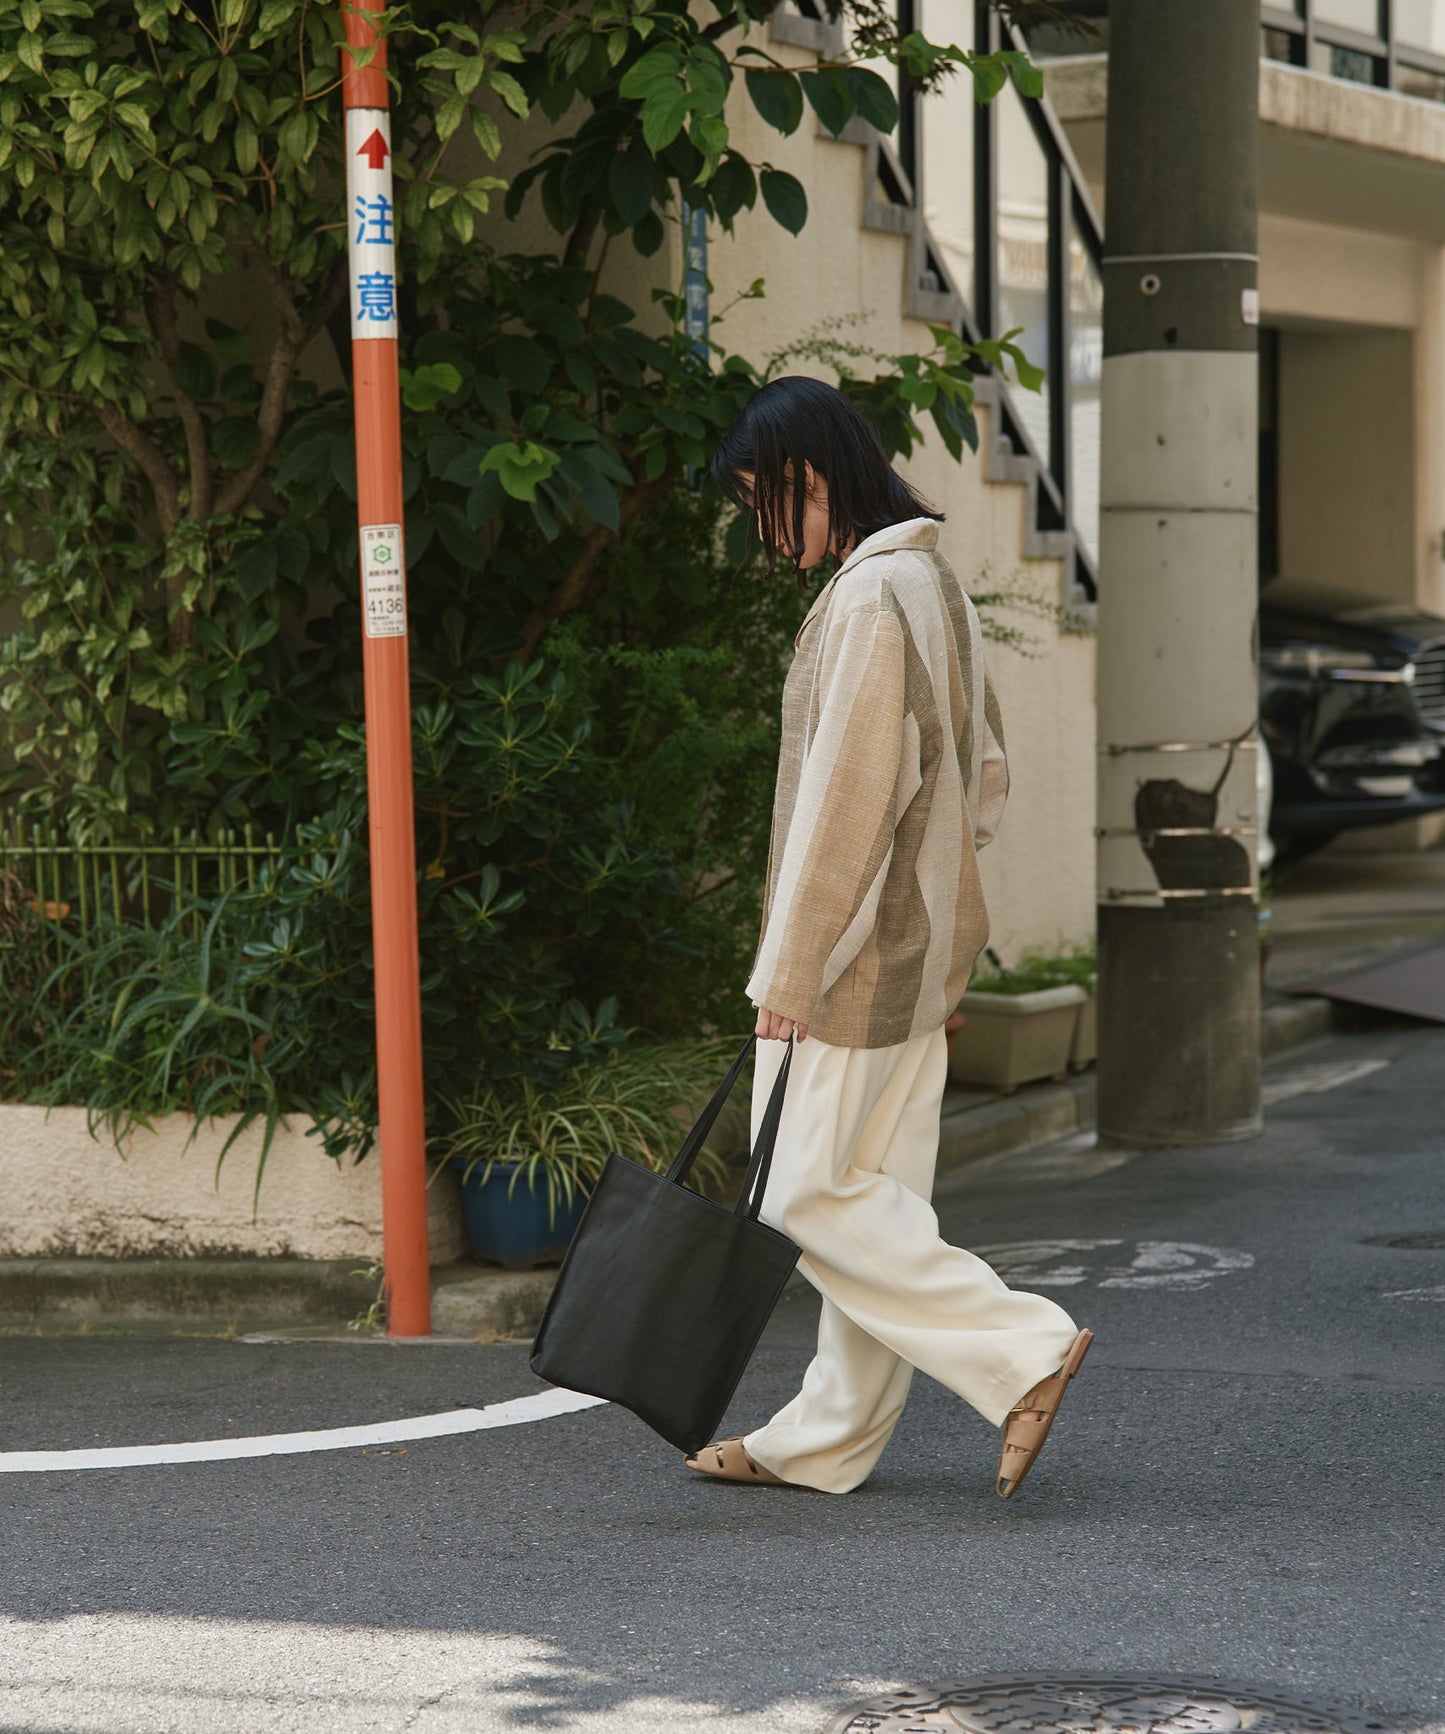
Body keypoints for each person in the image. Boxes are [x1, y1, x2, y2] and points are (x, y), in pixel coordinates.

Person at [684, 376, 1093, 1498]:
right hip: (918, 944)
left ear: (807, 483)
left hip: (853, 957)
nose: (759, 533)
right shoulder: (931, 583)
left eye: (759, 502)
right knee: (878, 1195)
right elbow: (985, 774)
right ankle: (828, 1441)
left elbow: (844, 804)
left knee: (796, 1192)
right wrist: (942, 911)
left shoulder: (869, 601)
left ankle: (1023, 1350)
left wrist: (791, 969)